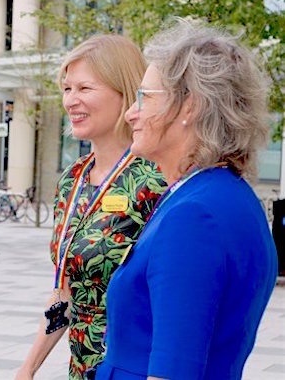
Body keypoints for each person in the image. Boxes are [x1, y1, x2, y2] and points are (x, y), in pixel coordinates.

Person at [96, 19, 278, 380]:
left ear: (190, 106)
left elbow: (173, 370)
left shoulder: (194, 216)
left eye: (144, 97)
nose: (131, 112)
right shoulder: (223, 196)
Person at [16, 34, 166, 380]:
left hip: (135, 366)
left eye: (85, 88)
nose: (71, 101)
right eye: (67, 89)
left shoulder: (156, 178)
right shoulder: (73, 179)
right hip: (81, 368)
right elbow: (65, 292)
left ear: (124, 92)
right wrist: (28, 368)